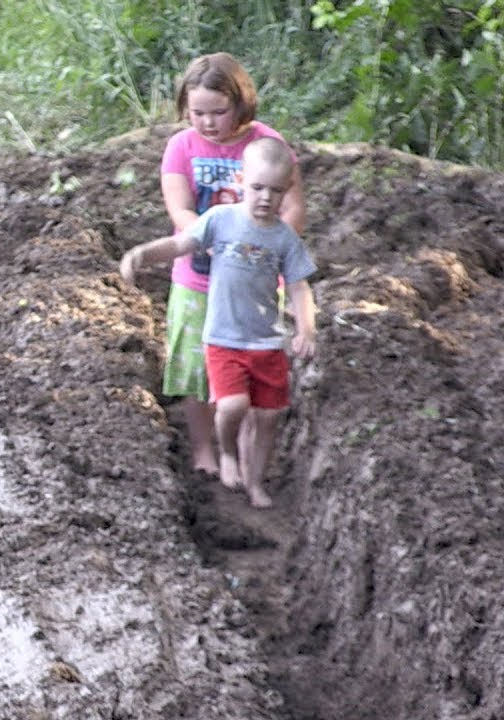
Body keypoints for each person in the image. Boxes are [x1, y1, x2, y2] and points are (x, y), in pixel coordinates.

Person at [122, 137, 316, 508]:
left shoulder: (284, 239)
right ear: (241, 180)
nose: (264, 198)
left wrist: (306, 330)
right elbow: (181, 245)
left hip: (266, 341)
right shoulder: (220, 219)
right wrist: (143, 254)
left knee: (270, 415)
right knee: (231, 406)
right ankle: (227, 452)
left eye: (275, 191)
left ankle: (255, 481)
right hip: (223, 339)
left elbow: (298, 288)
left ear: (287, 191)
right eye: (257, 187)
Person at [158, 52, 306, 483]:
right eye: (196, 112)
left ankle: (244, 452)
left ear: (241, 105)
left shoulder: (266, 143)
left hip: (255, 283)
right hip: (197, 278)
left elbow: (293, 205)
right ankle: (204, 447)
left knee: (252, 366)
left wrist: (268, 243)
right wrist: (215, 243)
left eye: (218, 112)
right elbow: (180, 208)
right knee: (197, 366)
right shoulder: (181, 146)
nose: (207, 122)